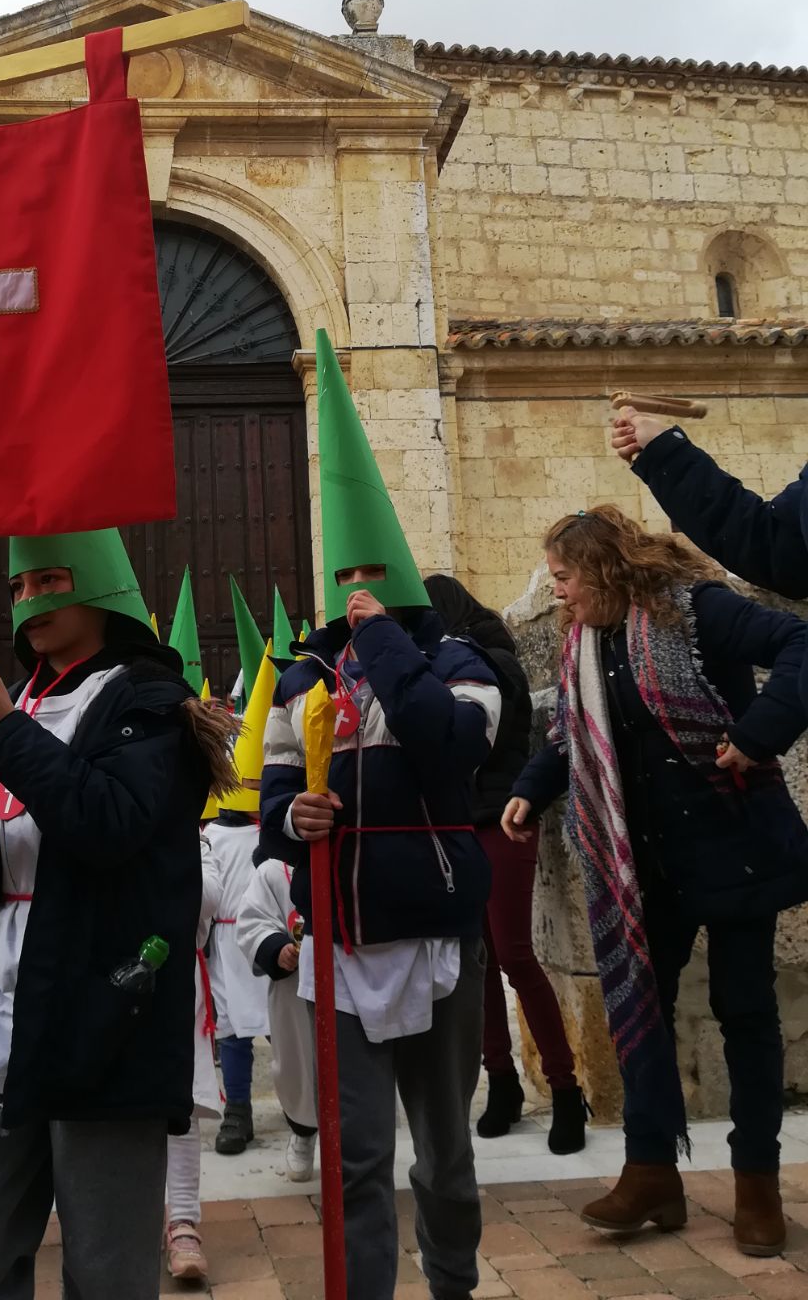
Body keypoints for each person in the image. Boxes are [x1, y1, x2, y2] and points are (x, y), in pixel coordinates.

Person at [0, 528, 234, 1300]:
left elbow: (109, 822)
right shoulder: (18, 703)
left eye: (49, 581)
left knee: (106, 1268)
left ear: (101, 589)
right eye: (17, 588)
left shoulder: (152, 703)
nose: (29, 601)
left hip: (100, 1011)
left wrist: (7, 734)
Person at [260, 330, 500, 1300]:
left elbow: (451, 742)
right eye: (344, 575)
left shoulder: (458, 661)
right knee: (356, 1157)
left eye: (373, 574)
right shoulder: (299, 681)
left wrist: (387, 643)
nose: (356, 590)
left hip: (438, 937)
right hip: (340, 944)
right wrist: (297, 819)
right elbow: (271, 806)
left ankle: (451, 1283)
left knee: (443, 1154)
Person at [504, 505, 808, 1258]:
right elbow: (572, 732)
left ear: (603, 568)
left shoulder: (697, 611)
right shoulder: (583, 642)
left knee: (746, 1013)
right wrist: (532, 788)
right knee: (638, 1009)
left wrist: (758, 733)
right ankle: (651, 1173)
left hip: (733, 848)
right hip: (642, 865)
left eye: (565, 576)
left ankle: (758, 1185)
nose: (558, 591)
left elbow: (798, 641)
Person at [424, 573, 586, 1154]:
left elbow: (479, 737)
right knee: (479, 961)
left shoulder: (492, 663)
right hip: (459, 823)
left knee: (515, 955)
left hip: (502, 819)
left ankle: (566, 1089)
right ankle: (502, 1081)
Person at [612, 406, 808, 707]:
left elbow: (793, 640)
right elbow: (775, 547)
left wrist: (758, 729)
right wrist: (664, 452)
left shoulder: (706, 604)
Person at [164, 832, 226, 1284]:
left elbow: (207, 896)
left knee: (179, 1105)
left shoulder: (191, 840)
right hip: (99, 970)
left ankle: (183, 1219)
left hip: (172, 982)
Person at [236, 856, 318, 1181]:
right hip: (294, 989)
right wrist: (276, 948)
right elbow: (252, 920)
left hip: (350, 980)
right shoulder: (274, 870)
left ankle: (356, 1147)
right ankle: (303, 1131)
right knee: (298, 1060)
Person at [204, 802, 269, 1156]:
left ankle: (304, 1108)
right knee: (229, 1030)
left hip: (268, 939)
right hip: (226, 943)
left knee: (286, 1030)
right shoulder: (210, 836)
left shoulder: (269, 834)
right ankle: (238, 1110)